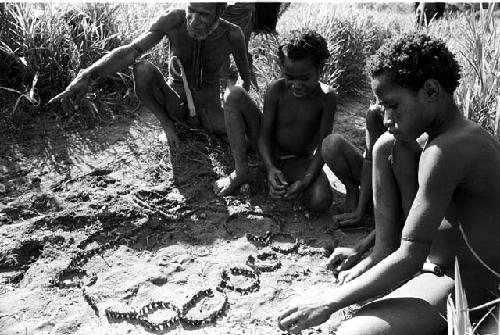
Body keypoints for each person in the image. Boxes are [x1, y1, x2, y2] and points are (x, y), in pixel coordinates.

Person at [277, 32, 500, 335]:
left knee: (354, 333)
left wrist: (329, 302)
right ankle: (383, 255)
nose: (385, 116)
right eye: (382, 106)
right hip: (439, 262)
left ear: (431, 91)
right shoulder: (453, 136)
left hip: (467, 283)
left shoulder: (447, 151)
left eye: (392, 105)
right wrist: (375, 246)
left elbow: (411, 253)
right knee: (386, 146)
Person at [49, 2, 261, 196]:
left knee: (250, 143)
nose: (194, 20)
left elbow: (244, 77)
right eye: (191, 11)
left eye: (204, 15)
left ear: (220, 12)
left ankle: (217, 137)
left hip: (209, 108)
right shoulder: (172, 19)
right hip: (175, 104)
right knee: (142, 69)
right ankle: (169, 125)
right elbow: (131, 52)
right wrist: (88, 75)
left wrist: (232, 102)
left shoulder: (232, 34)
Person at [258, 30, 336, 212]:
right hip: (271, 156)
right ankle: (265, 175)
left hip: (299, 161)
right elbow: (264, 135)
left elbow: (323, 147)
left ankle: (290, 184)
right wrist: (270, 167)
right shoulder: (275, 90)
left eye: (304, 78)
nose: (296, 84)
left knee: (321, 200)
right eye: (290, 77)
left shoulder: (326, 98)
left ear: (320, 69)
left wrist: (305, 181)